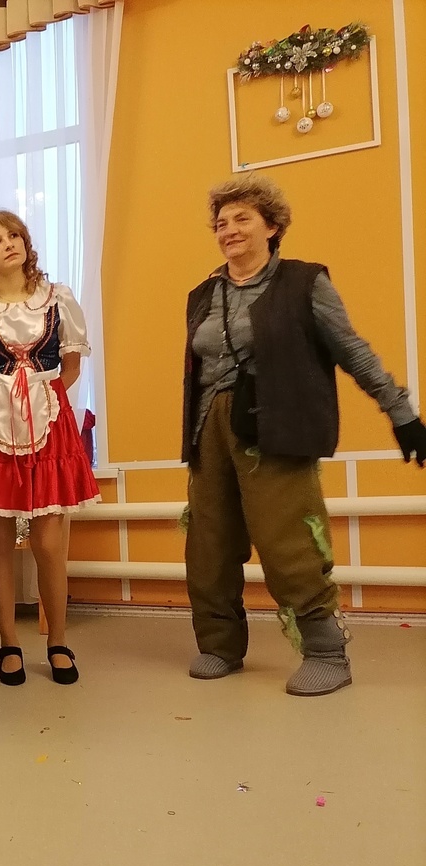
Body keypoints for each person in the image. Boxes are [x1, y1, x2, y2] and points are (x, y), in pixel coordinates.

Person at [182, 173, 426, 695]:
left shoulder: (303, 282)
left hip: (277, 427)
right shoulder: (202, 294)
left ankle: (326, 652)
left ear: (272, 226)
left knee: (289, 543)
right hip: (209, 430)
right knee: (208, 544)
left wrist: (400, 412)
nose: (229, 229)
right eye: (221, 222)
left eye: (242, 218)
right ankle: (219, 645)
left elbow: (350, 349)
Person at [0, 211, 99, 686]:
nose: (9, 243)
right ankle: (8, 643)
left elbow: (71, 366)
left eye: (14, 235)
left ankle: (58, 641)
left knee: (49, 544)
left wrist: (41, 399)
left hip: (48, 425)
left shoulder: (58, 299)